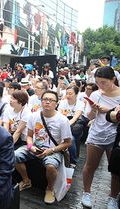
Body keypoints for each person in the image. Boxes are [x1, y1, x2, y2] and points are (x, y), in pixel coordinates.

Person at [14, 90, 72, 204]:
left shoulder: (62, 120)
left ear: (56, 103)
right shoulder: (34, 116)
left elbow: (67, 143)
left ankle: (50, 188)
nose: (47, 102)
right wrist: (30, 146)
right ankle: (26, 180)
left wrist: (51, 150)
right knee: (14, 155)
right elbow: (30, 136)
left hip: (54, 150)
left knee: (50, 166)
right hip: (35, 147)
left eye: (51, 100)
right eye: (45, 99)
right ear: (41, 101)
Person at [81, 66, 120, 209]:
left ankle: (113, 197)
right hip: (97, 133)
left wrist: (108, 111)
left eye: (103, 82)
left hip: (115, 137)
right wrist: (94, 109)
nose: (100, 86)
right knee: (90, 165)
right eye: (97, 82)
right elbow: (89, 117)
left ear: (113, 79)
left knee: (115, 170)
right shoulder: (96, 94)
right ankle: (86, 193)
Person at [58, 85, 85, 167]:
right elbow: (59, 114)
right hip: (63, 124)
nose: (68, 96)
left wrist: (65, 127)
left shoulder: (80, 104)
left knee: (71, 139)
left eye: (70, 93)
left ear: (76, 94)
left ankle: (73, 161)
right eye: (67, 93)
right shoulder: (63, 102)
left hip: (74, 127)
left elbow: (75, 118)